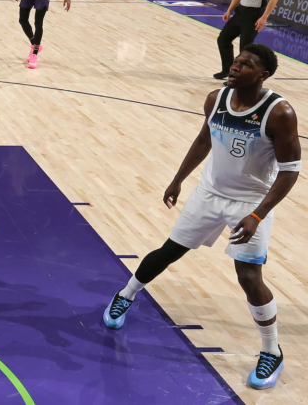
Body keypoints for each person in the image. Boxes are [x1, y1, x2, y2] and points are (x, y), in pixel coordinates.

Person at [103, 44, 299, 391]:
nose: (235, 66)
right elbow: (203, 140)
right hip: (208, 193)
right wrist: (178, 178)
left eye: (246, 64)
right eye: (236, 61)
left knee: (249, 277)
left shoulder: (279, 112)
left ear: (263, 75)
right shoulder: (215, 98)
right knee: (169, 250)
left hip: (249, 202)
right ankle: (126, 295)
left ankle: (272, 351)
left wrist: (258, 214)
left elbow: (290, 171)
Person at [213, 0, 279, 81]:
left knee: (245, 49)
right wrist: (229, 10)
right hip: (240, 12)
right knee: (223, 39)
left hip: (254, 15)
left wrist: (264, 18)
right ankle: (227, 70)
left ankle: (239, 78)